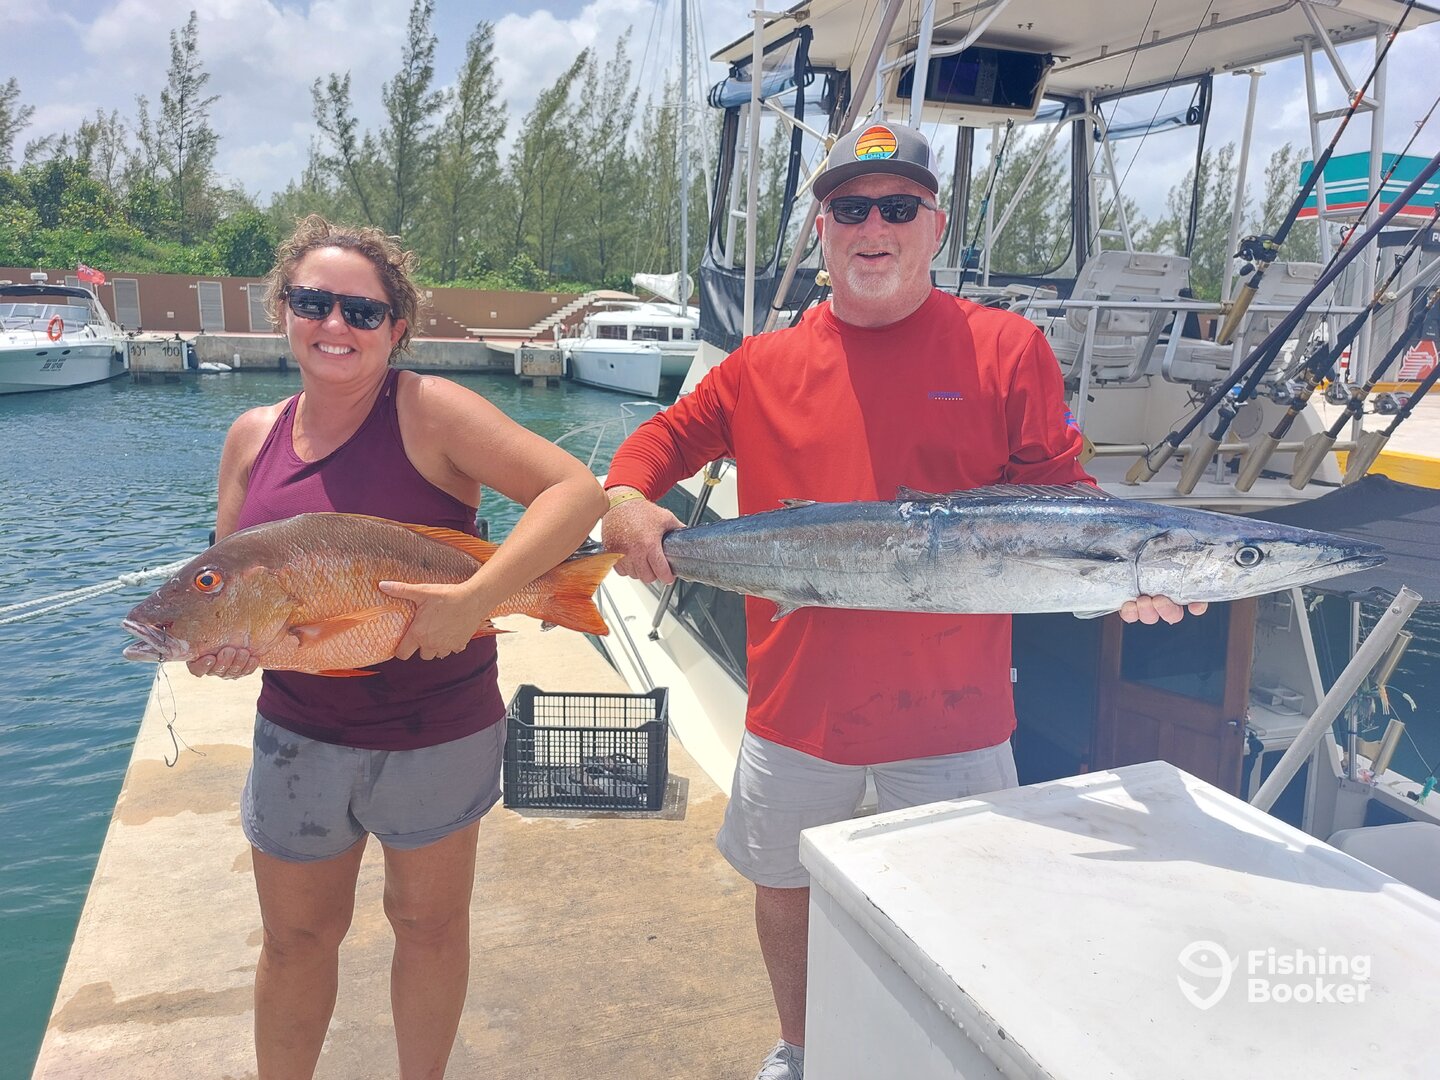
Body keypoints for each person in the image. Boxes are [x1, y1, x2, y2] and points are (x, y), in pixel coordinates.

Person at [599, 122, 1206, 1080]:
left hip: (956, 716)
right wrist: (628, 496)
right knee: (785, 884)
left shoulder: (1008, 348)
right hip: (796, 707)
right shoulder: (759, 365)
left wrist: (1125, 578)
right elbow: (657, 445)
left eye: (896, 207)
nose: (872, 227)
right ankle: (803, 1048)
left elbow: (1063, 502)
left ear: (936, 225)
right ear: (822, 229)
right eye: (850, 208)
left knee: (967, 900)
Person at [190, 214, 607, 1080]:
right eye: (314, 302)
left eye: (363, 311)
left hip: (436, 727)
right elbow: (231, 579)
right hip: (298, 733)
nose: (335, 325)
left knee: (428, 927)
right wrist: (224, 648)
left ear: (397, 327)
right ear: (283, 310)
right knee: (295, 938)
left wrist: (479, 598)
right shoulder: (250, 436)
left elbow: (576, 492)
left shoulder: (428, 410)